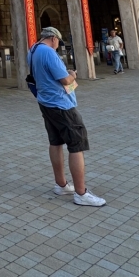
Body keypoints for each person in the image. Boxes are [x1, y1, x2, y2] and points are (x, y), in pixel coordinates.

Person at [28, 27, 105, 207]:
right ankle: (81, 193)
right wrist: (72, 75)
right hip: (61, 105)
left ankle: (61, 184)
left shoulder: (32, 50)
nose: (57, 47)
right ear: (53, 38)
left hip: (46, 102)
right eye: (58, 43)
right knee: (76, 144)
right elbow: (65, 81)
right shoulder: (48, 52)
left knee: (55, 142)